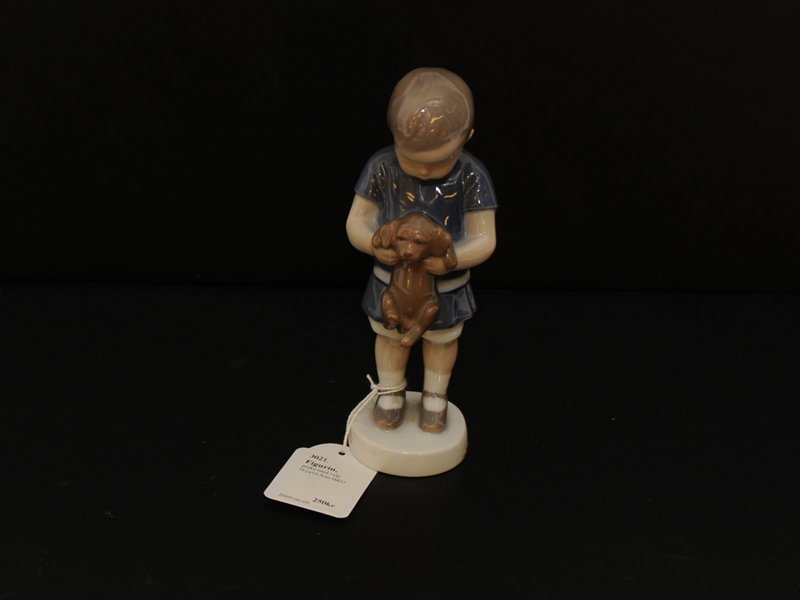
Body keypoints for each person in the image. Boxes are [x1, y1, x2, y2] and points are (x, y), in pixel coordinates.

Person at [346, 68, 497, 433]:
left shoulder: (472, 176)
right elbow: (356, 221)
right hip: (391, 283)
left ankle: (435, 395)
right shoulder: (381, 167)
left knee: (442, 340)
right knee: (390, 334)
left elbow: (485, 238)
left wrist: (451, 261)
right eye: (411, 159)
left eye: (439, 161)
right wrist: (373, 246)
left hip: (445, 287)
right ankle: (390, 392)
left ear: (467, 139)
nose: (424, 170)